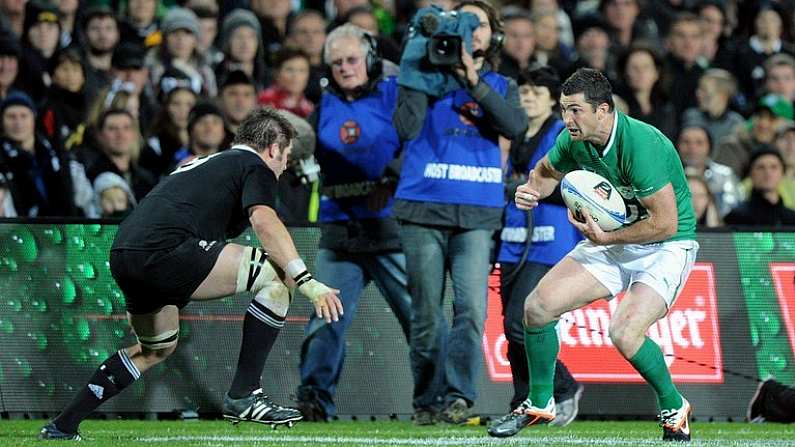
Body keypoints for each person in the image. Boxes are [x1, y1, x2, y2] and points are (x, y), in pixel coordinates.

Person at [39, 107, 344, 440]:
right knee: (278, 275)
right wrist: (306, 280)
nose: (285, 165)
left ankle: (62, 426)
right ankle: (245, 394)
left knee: (155, 349)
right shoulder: (255, 166)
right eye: (285, 156)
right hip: (165, 250)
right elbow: (265, 222)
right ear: (273, 148)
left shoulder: (205, 163)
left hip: (125, 252)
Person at [489, 68, 698, 442]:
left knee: (624, 331)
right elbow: (546, 170)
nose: (566, 119)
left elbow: (665, 223)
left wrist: (607, 237)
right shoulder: (574, 140)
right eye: (563, 109)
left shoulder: (640, 144)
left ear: (603, 110)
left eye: (574, 111)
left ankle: (673, 405)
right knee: (537, 308)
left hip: (665, 245)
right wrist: (531, 191)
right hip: (613, 239)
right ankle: (539, 403)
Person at [393, 0, 528, 425]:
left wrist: (473, 82)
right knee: (427, 314)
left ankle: (459, 398)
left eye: (480, 24)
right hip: (421, 209)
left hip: (478, 213)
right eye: (462, 23)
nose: (471, 31)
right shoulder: (420, 76)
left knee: (471, 309)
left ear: (495, 35)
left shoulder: (500, 84)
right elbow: (405, 129)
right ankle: (426, 402)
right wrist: (414, 73)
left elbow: (515, 127)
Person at [295, 24, 412, 422]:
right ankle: (313, 401)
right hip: (339, 228)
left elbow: (417, 142)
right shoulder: (321, 105)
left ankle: (438, 399)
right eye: (337, 62)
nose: (345, 68)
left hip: (389, 224)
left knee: (419, 318)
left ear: (371, 60)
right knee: (325, 319)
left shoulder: (394, 94)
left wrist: (392, 177)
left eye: (352, 59)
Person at [493, 66, 583, 429]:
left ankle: (563, 386)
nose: (528, 96)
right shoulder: (514, 134)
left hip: (549, 242)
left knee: (521, 323)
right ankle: (524, 402)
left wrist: (526, 186)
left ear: (553, 101)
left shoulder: (562, 135)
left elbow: (576, 184)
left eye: (537, 91)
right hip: (513, 242)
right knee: (509, 327)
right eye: (524, 90)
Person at [724, 146, 795, 226]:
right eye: (761, 167)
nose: (768, 173)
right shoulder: (737, 217)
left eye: (774, 167)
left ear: (782, 173)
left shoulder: (791, 219)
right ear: (750, 173)